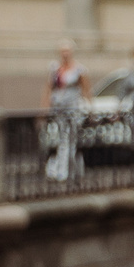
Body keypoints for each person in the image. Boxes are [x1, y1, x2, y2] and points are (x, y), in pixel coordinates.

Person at [43, 41, 85, 182]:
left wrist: (89, 108)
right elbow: (49, 89)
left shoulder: (79, 69)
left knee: (71, 139)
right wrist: (44, 108)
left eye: (67, 51)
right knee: (60, 139)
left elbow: (86, 89)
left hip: (73, 108)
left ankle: (68, 170)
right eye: (63, 51)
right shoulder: (55, 69)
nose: (65, 54)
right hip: (58, 108)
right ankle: (61, 169)